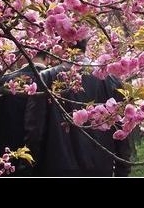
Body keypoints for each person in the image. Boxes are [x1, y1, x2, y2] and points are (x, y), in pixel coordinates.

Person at [25, 41, 132, 176]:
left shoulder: (46, 78)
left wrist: (29, 169)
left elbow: (35, 131)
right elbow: (122, 131)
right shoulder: (111, 80)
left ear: (61, 45)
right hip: (100, 168)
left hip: (56, 168)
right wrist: (122, 170)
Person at [0, 50, 51, 175]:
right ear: (48, 58)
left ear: (20, 55)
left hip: (5, 158)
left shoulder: (1, 82)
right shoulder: (53, 84)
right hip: (43, 162)